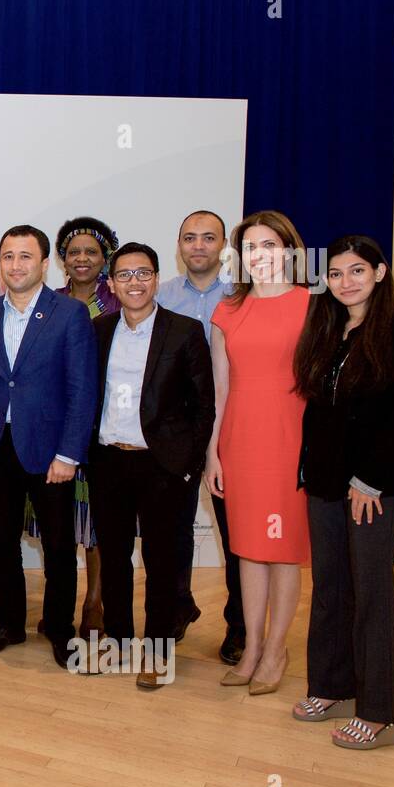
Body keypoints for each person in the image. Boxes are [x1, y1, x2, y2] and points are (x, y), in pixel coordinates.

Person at [291, 236, 394, 749]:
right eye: (335, 273)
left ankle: (381, 714)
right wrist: (310, 468)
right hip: (325, 483)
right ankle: (333, 686)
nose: (345, 282)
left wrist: (370, 479)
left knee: (372, 595)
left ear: (379, 272)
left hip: (374, 486)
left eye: (356, 271)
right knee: (330, 589)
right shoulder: (327, 327)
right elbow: (318, 409)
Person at [0, 225, 98, 667]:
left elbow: (82, 390)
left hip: (51, 453)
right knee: (2, 544)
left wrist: (69, 454)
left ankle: (58, 629)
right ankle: (10, 625)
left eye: (25, 256)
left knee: (58, 547)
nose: (16, 265)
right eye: (9, 256)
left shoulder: (69, 314)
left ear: (43, 263)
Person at [86, 243, 214, 687]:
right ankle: (119, 641)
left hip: (162, 466)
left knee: (162, 561)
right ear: (112, 283)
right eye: (124, 274)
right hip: (107, 460)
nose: (134, 282)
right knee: (115, 558)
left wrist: (188, 465)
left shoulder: (185, 331)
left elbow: (204, 407)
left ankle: (158, 651)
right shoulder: (99, 330)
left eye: (143, 273)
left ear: (156, 278)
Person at [206, 210, 311, 695]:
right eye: (251, 247)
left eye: (270, 245)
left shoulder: (313, 306)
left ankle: (277, 649)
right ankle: (250, 648)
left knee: (284, 551)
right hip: (240, 441)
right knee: (247, 549)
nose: (260, 255)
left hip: (292, 442)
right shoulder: (226, 312)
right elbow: (219, 390)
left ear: (289, 249)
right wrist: (213, 453)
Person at [157, 210, 245, 663]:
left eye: (208, 238)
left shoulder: (241, 298)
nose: (198, 246)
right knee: (174, 528)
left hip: (232, 424)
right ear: (179, 245)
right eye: (189, 238)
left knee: (236, 535)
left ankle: (238, 626)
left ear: (223, 246)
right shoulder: (161, 296)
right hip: (177, 428)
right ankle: (177, 607)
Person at [55, 216, 120, 641]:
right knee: (59, 523)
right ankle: (59, 603)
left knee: (95, 523)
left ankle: (93, 603)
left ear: (104, 258)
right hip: (53, 431)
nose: (82, 259)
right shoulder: (51, 302)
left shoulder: (118, 304)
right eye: (74, 251)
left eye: (91, 252)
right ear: (62, 259)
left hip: (100, 430)